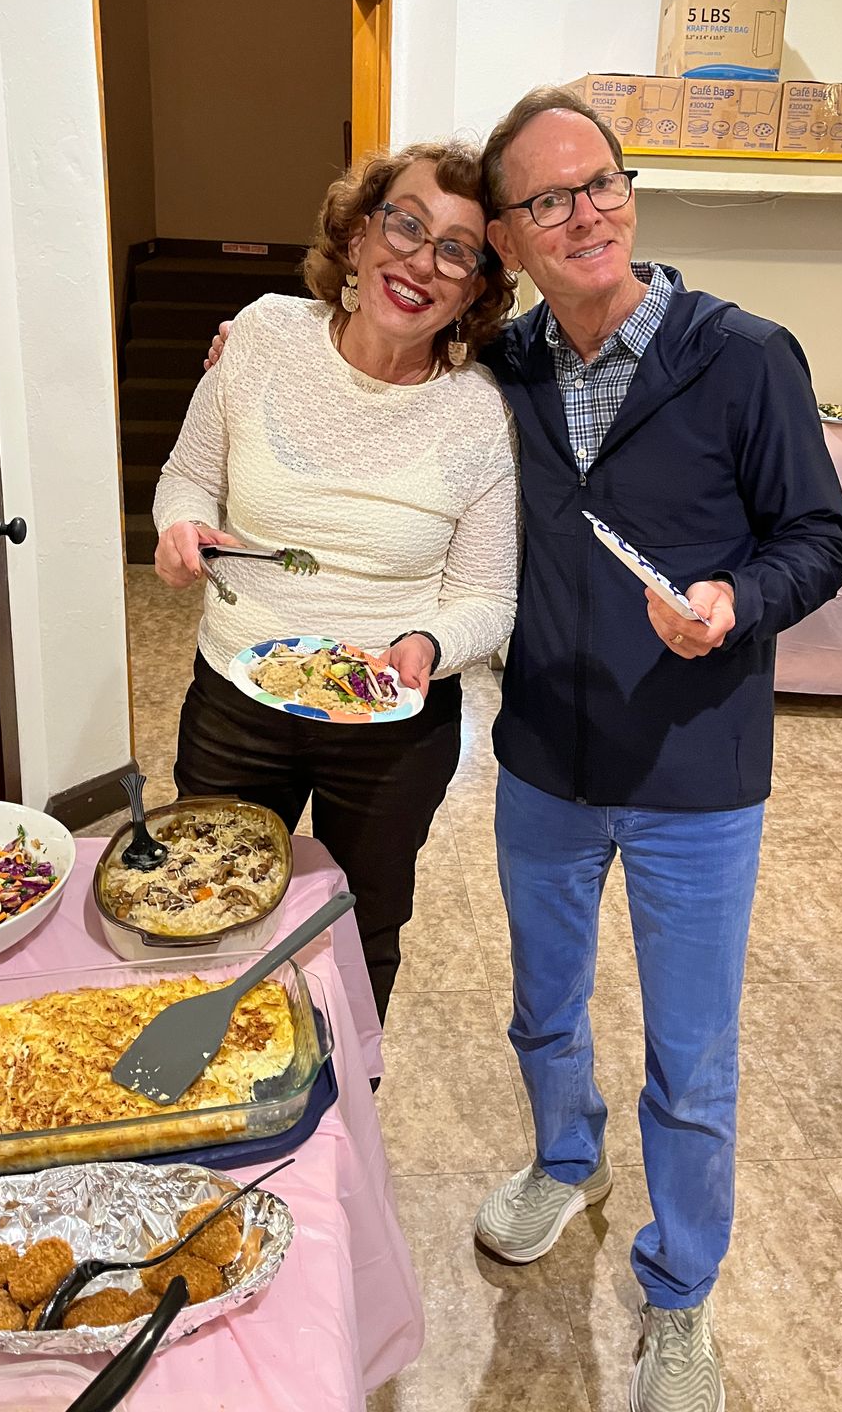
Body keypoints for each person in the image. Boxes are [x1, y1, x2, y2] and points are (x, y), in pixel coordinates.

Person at [207, 90, 842, 1408]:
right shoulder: (497, 370)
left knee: (692, 1057)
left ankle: (681, 1293)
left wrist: (737, 600)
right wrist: (257, 338)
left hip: (697, 776)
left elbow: (818, 538)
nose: (587, 214)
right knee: (543, 1006)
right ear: (506, 237)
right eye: (548, 200)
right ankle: (568, 1161)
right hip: (546, 761)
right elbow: (372, 361)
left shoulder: (744, 358)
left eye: (603, 182)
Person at [157, 140, 518, 1023]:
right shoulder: (262, 337)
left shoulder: (478, 412)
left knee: (361, 927)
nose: (421, 262)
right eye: (405, 226)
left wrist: (430, 644)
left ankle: (346, 1092)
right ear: (358, 237)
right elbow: (189, 476)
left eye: (456, 251)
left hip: (391, 722)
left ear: (474, 289)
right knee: (209, 906)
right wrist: (180, 526)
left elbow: (489, 599)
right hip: (239, 697)